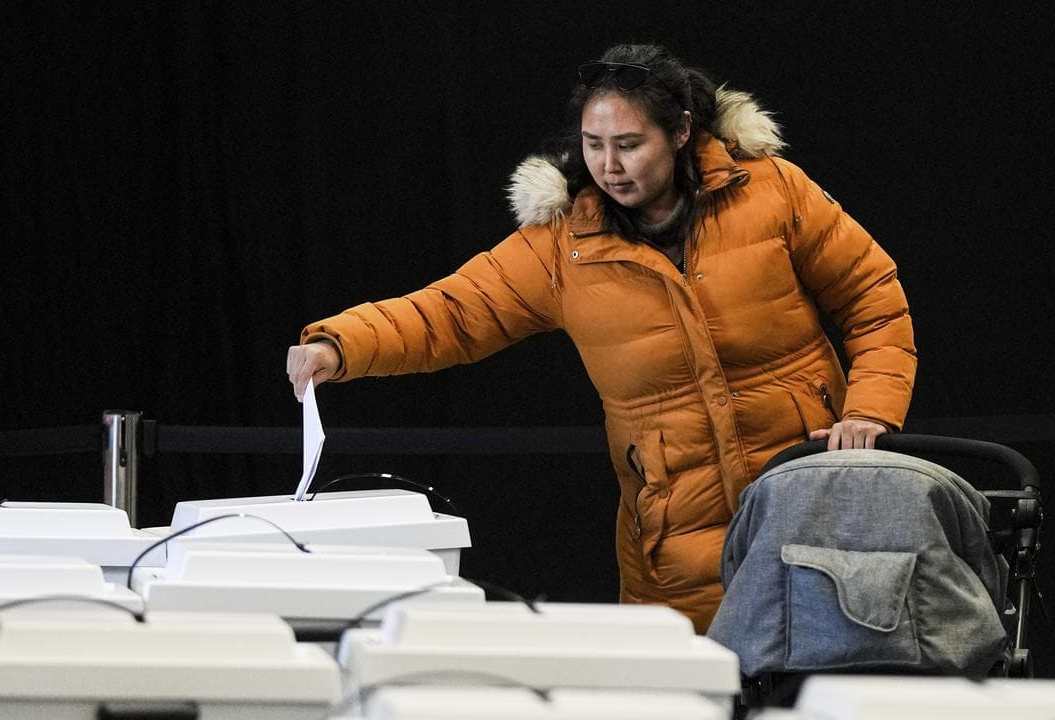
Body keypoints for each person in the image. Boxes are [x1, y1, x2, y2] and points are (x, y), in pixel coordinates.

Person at [287, 44, 916, 633]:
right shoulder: (563, 246)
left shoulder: (773, 191)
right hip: (674, 545)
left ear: (681, 132)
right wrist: (339, 345)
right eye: (593, 145)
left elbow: (874, 300)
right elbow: (451, 312)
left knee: (831, 682)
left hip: (814, 507)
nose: (609, 166)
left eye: (629, 144)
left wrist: (869, 413)